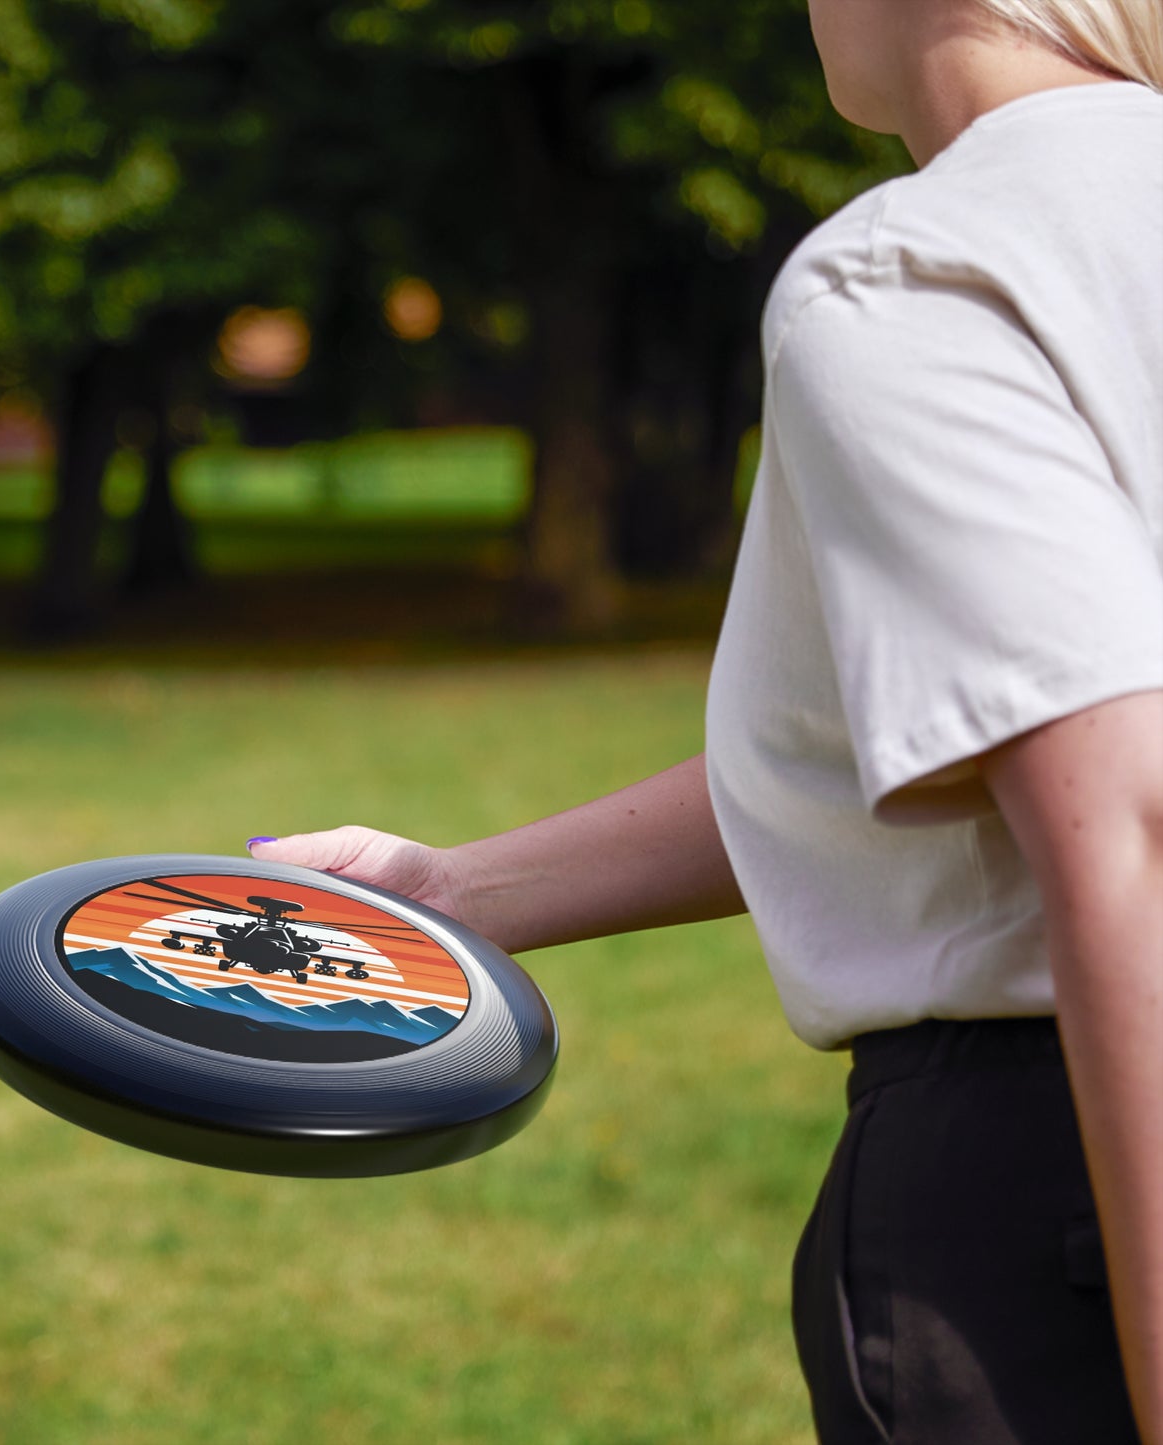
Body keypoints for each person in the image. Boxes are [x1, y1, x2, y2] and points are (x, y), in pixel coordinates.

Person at [246, 2, 1163, 1440]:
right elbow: (941, 740)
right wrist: (452, 892)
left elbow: (1127, 821)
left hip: (1060, 1192)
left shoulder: (922, 269)